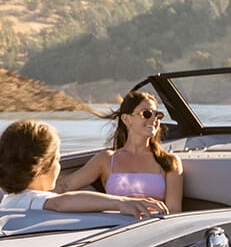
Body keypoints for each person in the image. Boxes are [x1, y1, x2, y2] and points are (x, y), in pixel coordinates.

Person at [0, 120, 167, 217]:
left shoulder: (10, 201)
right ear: (40, 167)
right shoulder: (32, 200)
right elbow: (62, 202)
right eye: (57, 159)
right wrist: (120, 203)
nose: (59, 166)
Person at [55, 90, 184, 212]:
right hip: (115, 229)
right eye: (147, 114)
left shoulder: (169, 162)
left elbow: (173, 211)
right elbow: (65, 186)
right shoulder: (106, 159)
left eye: (157, 115)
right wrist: (36, 195)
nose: (154, 119)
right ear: (126, 119)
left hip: (152, 228)